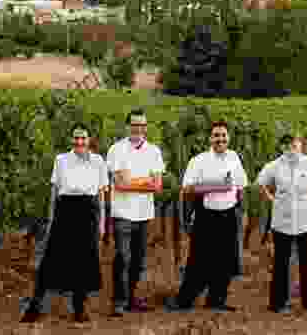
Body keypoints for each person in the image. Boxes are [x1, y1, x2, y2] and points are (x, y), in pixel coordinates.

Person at [19, 124, 108, 324]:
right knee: (51, 259)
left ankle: (79, 308)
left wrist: (102, 223)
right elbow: (54, 192)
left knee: (84, 261)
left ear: (89, 139)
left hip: (88, 212)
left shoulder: (98, 161)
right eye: (76, 138)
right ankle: (35, 306)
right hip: (65, 211)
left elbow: (101, 195)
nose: (79, 142)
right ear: (71, 140)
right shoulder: (61, 160)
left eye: (83, 138)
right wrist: (51, 219)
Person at [164, 119, 248, 313]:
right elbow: (187, 188)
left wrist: (241, 211)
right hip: (206, 215)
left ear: (229, 138)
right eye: (216, 135)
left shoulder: (234, 158)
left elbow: (241, 186)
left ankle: (216, 300)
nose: (220, 139)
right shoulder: (199, 160)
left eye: (223, 135)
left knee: (225, 260)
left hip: (229, 214)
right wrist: (217, 185)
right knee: (199, 260)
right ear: (210, 139)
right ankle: (184, 301)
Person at [259, 134, 307, 314]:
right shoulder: (274, 166)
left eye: (294, 144)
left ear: (301, 145)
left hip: (306, 222)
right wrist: (272, 199)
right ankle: (278, 303)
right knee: (280, 263)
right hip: (281, 223)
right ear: (282, 147)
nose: (290, 147)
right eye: (286, 144)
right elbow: (260, 184)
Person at [106, 109, 165, 316]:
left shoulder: (154, 151)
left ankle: (131, 298)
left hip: (144, 214)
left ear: (146, 127)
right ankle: (118, 302)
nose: (138, 128)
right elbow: (119, 184)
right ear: (128, 126)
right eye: (134, 125)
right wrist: (144, 182)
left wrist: (132, 182)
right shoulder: (116, 149)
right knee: (123, 257)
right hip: (122, 212)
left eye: (142, 125)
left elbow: (157, 186)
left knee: (138, 261)